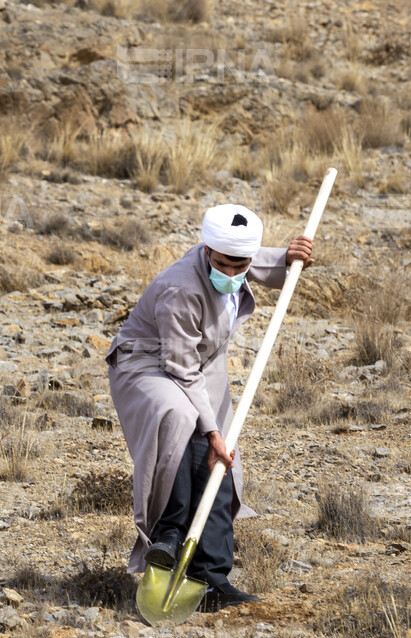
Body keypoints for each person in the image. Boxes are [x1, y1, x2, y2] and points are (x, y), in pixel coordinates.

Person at [106, 204, 314, 612]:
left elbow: (254, 264)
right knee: (182, 421)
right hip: (148, 362)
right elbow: (180, 370)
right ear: (206, 252)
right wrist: (212, 431)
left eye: (242, 267)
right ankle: (167, 535)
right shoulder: (180, 288)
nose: (233, 275)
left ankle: (211, 578)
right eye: (224, 265)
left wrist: (289, 257)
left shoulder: (232, 260)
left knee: (221, 462)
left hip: (200, 363)